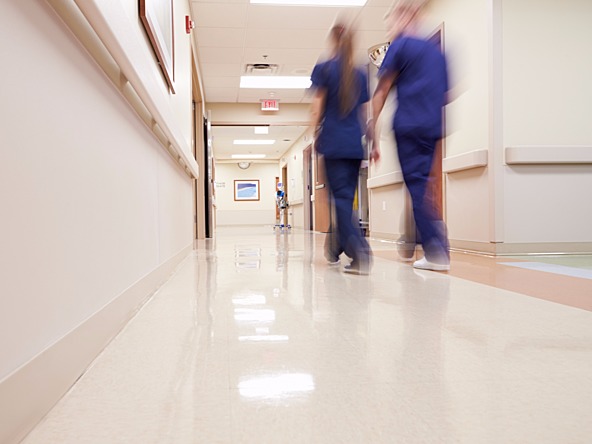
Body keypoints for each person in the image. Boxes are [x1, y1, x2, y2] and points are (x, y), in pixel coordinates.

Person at [367, 0, 450, 271]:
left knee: (417, 189)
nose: (390, 27)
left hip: (410, 127)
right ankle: (435, 243)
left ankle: (436, 252)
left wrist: (373, 133)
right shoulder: (438, 53)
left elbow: (381, 92)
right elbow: (447, 94)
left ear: (404, 17)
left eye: (391, 21)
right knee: (428, 187)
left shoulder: (400, 45)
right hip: (434, 127)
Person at [310, 22, 374, 275]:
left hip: (334, 143)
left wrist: (314, 133)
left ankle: (360, 253)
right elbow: (364, 113)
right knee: (347, 199)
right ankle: (344, 249)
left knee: (341, 201)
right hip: (354, 145)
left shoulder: (325, 68)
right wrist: (374, 141)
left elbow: (318, 105)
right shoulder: (360, 73)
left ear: (332, 41)